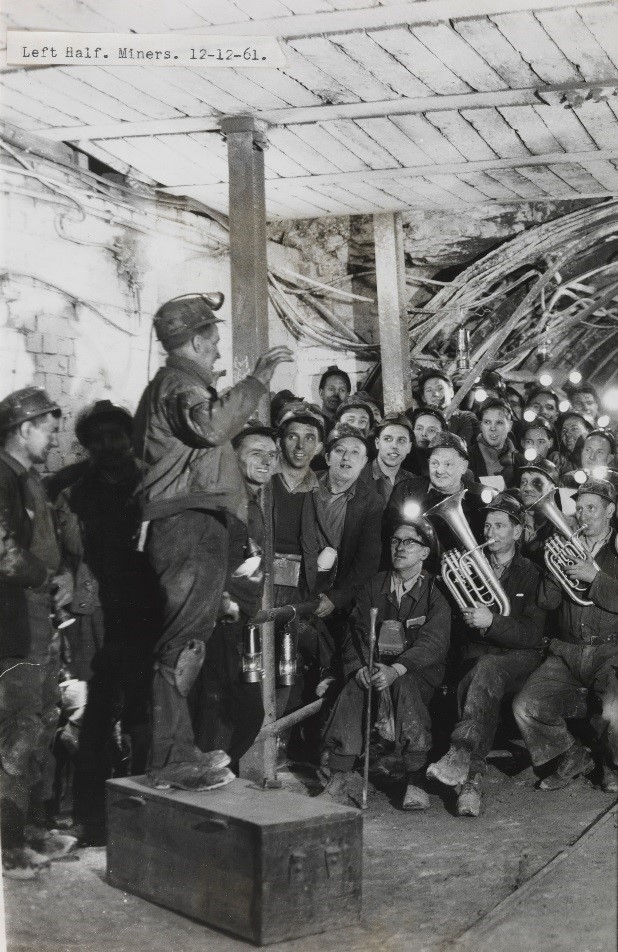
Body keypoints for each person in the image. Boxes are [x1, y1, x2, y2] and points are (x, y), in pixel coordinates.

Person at [132, 292, 292, 789]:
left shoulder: (177, 383)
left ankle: (175, 754)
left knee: (185, 646)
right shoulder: (180, 384)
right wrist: (257, 380)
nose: (220, 352)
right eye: (216, 341)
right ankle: (169, 758)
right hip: (188, 524)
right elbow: (211, 425)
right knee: (180, 648)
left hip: (194, 523)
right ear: (198, 340)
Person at [54, 400, 160, 844]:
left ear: (129, 437)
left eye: (116, 435)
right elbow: (62, 550)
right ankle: (92, 818)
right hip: (93, 610)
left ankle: (142, 811)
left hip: (143, 608)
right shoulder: (74, 490)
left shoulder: (151, 481)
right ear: (88, 444)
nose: (108, 445)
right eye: (98, 438)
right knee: (96, 711)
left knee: (144, 710)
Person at [426, 493, 545, 816]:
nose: (490, 532)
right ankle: (471, 781)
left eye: (500, 525)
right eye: (488, 525)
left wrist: (493, 621)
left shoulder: (533, 573)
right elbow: (456, 626)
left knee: (485, 669)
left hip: (521, 657)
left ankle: (461, 752)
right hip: (480, 656)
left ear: (517, 532)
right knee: (481, 670)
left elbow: (533, 633)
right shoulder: (469, 568)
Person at [320, 515, 450, 810]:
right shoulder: (373, 585)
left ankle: (415, 780)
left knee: (404, 686)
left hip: (416, 673)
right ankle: (338, 778)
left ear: (424, 553)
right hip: (373, 665)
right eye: (395, 541)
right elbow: (354, 633)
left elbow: (434, 643)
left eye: (409, 542)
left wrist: (397, 669)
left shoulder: (435, 592)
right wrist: (360, 668)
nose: (400, 547)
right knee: (354, 687)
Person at [0, 386, 77, 878]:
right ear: (24, 429)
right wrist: (48, 579)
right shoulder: (2, 478)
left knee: (43, 722)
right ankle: (7, 845)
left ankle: (28, 829)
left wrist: (62, 576)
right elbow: (5, 555)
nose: (53, 438)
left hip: (37, 619)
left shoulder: (27, 480)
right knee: (19, 731)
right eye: (47, 429)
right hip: (13, 623)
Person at [513, 478, 618, 793]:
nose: (584, 515)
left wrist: (594, 577)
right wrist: (551, 565)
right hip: (567, 651)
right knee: (526, 706)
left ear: (611, 510)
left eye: (592, 508)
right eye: (580, 507)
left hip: (610, 652)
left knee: (614, 712)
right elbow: (547, 602)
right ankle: (573, 756)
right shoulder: (567, 544)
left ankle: (612, 766)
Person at [196, 423, 278, 769]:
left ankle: (215, 777)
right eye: (256, 453)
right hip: (216, 620)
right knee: (228, 709)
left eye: (272, 455)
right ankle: (206, 781)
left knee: (239, 712)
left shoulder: (254, 503)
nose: (267, 461)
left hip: (240, 621)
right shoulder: (222, 502)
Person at [301, 423, 384, 623]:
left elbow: (367, 560)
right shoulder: (304, 487)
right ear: (328, 458)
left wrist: (335, 598)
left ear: (364, 461)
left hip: (334, 591)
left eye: (355, 452)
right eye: (339, 451)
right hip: (299, 583)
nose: (346, 457)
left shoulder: (372, 502)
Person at [388, 433, 487, 554]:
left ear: (463, 467)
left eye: (448, 464)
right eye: (434, 463)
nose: (439, 471)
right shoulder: (406, 489)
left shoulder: (480, 496)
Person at [416, 369, 480, 450]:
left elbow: (464, 450)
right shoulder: (420, 422)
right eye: (429, 390)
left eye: (440, 388)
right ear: (423, 398)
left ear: (451, 392)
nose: (435, 394)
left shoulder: (466, 417)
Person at [360, 413, 414, 504]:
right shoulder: (358, 478)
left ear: (409, 447)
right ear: (377, 443)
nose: (394, 446)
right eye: (388, 439)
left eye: (401, 440)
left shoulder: (414, 482)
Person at [518, 457, 560, 569]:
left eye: (536, 482)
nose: (527, 488)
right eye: (523, 482)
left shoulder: (564, 526)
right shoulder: (513, 519)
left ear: (551, 489)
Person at [468, 398, 517, 488]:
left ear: (510, 426)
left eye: (499, 423)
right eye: (487, 422)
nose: (493, 428)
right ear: (481, 425)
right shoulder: (468, 458)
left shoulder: (519, 460)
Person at [404, 406, 447, 477]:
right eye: (419, 428)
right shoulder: (401, 463)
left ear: (443, 434)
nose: (424, 434)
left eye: (431, 430)